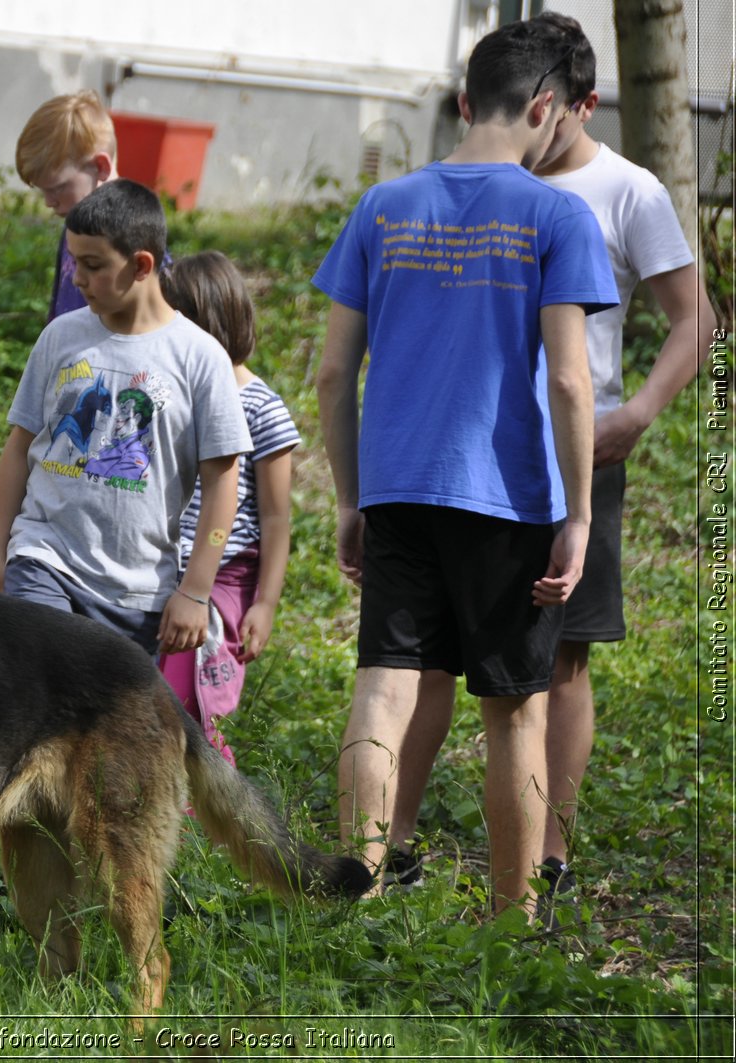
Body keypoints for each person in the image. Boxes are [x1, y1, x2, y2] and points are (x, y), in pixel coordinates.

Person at [380, 12, 717, 915]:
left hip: (573, 464)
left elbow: (697, 320)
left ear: (576, 106)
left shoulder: (628, 191)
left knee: (558, 664)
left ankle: (550, 857)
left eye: (555, 115)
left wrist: (637, 413)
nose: (538, 128)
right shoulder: (471, 189)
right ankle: (395, 841)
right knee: (423, 663)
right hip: (466, 461)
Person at [312, 16, 617, 917]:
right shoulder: (557, 213)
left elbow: (333, 372)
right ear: (546, 107)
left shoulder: (382, 206)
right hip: (510, 498)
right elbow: (569, 377)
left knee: (381, 694)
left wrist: (351, 497)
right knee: (514, 714)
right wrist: (581, 515)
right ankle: (513, 924)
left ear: (461, 101)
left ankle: (354, 891)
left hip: (399, 486)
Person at [0, 179, 251, 661]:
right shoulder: (60, 337)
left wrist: (195, 590)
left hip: (135, 593)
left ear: (142, 265)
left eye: (93, 265)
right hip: (43, 555)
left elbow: (221, 486)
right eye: (72, 262)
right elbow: (20, 448)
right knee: (38, 680)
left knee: (97, 728)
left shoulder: (200, 358)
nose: (76, 278)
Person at [0, 91, 119, 584]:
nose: (49, 204)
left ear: (100, 166)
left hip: (95, 455)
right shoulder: (77, 235)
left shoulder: (131, 247)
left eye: (57, 189)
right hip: (56, 437)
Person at [157, 252, 301, 767]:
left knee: (181, 701)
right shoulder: (170, 393)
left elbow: (277, 519)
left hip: (222, 577)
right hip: (164, 565)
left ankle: (209, 808)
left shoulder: (261, 405)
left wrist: (265, 603)